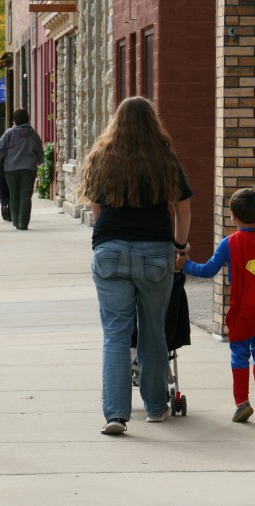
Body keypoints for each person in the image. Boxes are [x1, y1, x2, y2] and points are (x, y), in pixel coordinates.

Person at [80, 96, 192, 435]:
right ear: (151, 123)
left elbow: (97, 210)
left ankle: (115, 415)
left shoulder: (102, 157)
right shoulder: (164, 158)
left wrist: (110, 238)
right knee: (153, 331)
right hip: (155, 254)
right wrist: (180, 248)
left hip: (110, 251)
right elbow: (183, 209)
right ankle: (156, 408)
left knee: (115, 335)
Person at [182, 187, 255, 423]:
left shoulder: (229, 243)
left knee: (239, 355)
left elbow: (209, 270)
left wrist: (186, 265)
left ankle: (242, 403)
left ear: (232, 215)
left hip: (243, 310)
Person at [0, 109, 43, 230]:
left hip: (11, 169)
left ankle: (15, 220)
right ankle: (23, 223)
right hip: (29, 169)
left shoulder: (9, 133)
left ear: (14, 120)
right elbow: (39, 150)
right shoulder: (34, 134)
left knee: (14, 195)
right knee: (26, 195)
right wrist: (39, 161)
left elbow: (0, 151)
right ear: (27, 119)